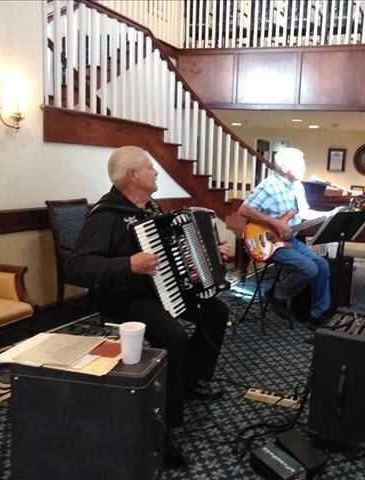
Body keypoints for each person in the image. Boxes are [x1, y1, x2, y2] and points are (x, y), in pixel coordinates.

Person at [66, 146, 231, 469]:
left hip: (161, 291)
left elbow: (173, 255)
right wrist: (128, 264)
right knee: (173, 337)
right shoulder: (106, 216)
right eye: (151, 168)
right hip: (124, 297)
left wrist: (211, 253)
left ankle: (188, 380)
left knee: (216, 312)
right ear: (132, 176)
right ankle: (163, 428)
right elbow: (76, 267)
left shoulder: (151, 209)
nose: (156, 172)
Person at [237, 147, 331, 326]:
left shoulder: (298, 187)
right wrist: (275, 223)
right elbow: (244, 209)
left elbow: (304, 213)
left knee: (322, 266)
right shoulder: (269, 185)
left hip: (288, 240)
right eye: (300, 164)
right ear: (287, 167)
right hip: (266, 243)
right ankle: (277, 294)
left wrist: (329, 214)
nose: (304, 167)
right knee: (310, 268)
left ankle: (317, 315)